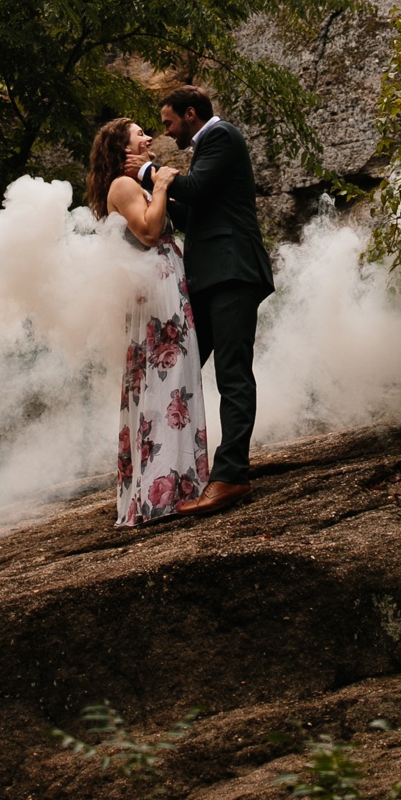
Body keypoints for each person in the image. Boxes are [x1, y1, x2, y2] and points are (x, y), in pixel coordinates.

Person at [87, 116, 210, 529]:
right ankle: (165, 490)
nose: (150, 137)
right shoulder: (123, 187)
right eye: (141, 133)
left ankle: (178, 483)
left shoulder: (132, 185)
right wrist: (159, 186)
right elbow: (148, 230)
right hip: (156, 294)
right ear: (123, 148)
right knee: (167, 381)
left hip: (165, 286)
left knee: (176, 381)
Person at [160, 85, 272, 518]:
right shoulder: (206, 147)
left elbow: (196, 187)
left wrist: (154, 171)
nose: (167, 132)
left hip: (232, 273)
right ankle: (177, 472)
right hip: (209, 279)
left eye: (170, 122)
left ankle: (231, 476)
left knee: (232, 374)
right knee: (181, 370)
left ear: (191, 114)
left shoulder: (221, 135)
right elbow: (193, 212)